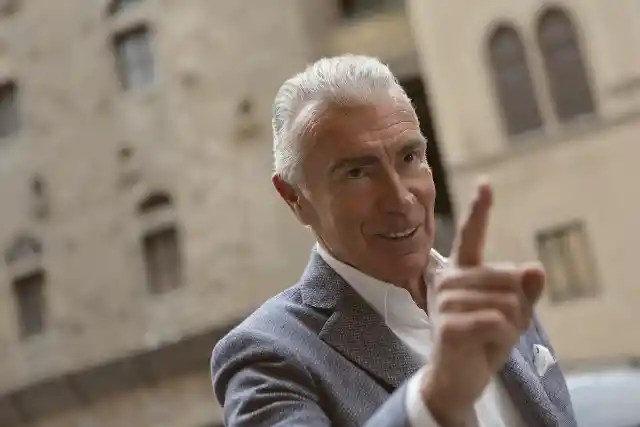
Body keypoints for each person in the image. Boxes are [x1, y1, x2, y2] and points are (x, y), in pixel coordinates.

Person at [210, 55, 577, 427]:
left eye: (409, 157)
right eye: (357, 173)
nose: (400, 198)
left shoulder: (491, 302)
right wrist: (435, 398)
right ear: (295, 198)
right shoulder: (266, 356)